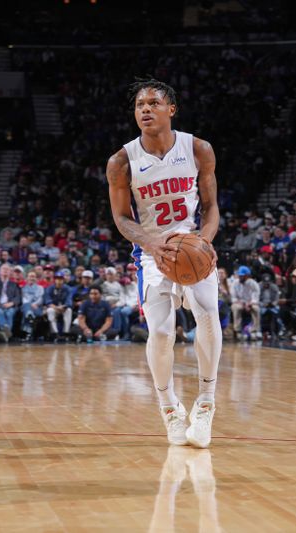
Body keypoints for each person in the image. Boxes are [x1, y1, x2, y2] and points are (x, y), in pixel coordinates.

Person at [106, 78, 222, 448]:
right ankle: (170, 408)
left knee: (206, 313)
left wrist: (204, 240)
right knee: (160, 332)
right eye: (140, 104)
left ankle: (205, 403)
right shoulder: (121, 162)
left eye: (154, 103)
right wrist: (153, 243)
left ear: (171, 109)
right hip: (153, 253)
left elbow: (212, 208)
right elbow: (122, 219)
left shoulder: (198, 149)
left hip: (192, 244)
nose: (145, 110)